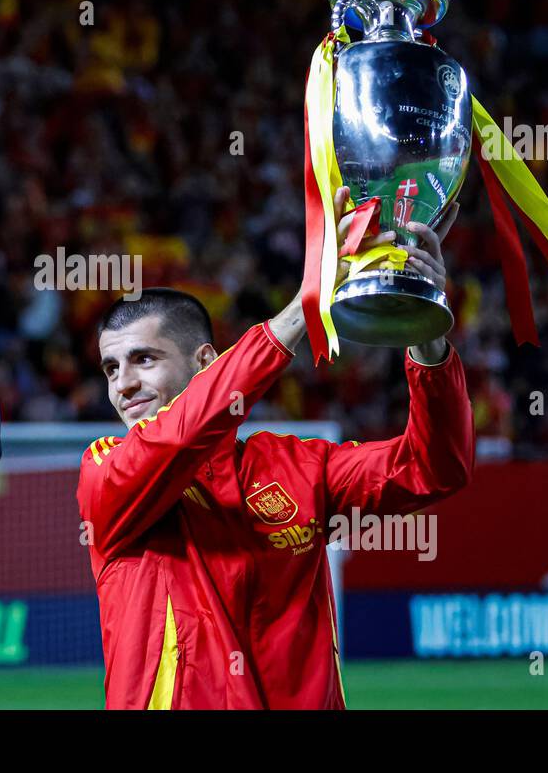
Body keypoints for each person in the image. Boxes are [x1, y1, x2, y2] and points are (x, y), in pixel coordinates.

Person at [78, 189, 475, 708]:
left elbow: (434, 468)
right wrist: (305, 303)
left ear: (205, 362)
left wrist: (424, 332)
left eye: (144, 359)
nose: (123, 385)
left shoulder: (297, 466)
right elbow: (179, 436)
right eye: (111, 368)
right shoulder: (104, 469)